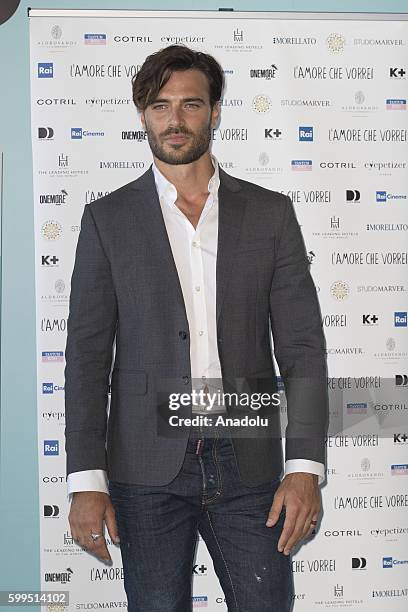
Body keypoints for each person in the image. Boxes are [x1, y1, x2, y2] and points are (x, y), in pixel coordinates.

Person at [65, 45, 328, 612]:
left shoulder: (270, 214)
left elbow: (303, 350)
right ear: (142, 116)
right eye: (160, 106)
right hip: (144, 468)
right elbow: (87, 357)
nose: (175, 120)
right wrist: (86, 479)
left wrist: (303, 468)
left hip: (250, 460)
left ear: (213, 112)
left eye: (190, 104)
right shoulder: (106, 220)